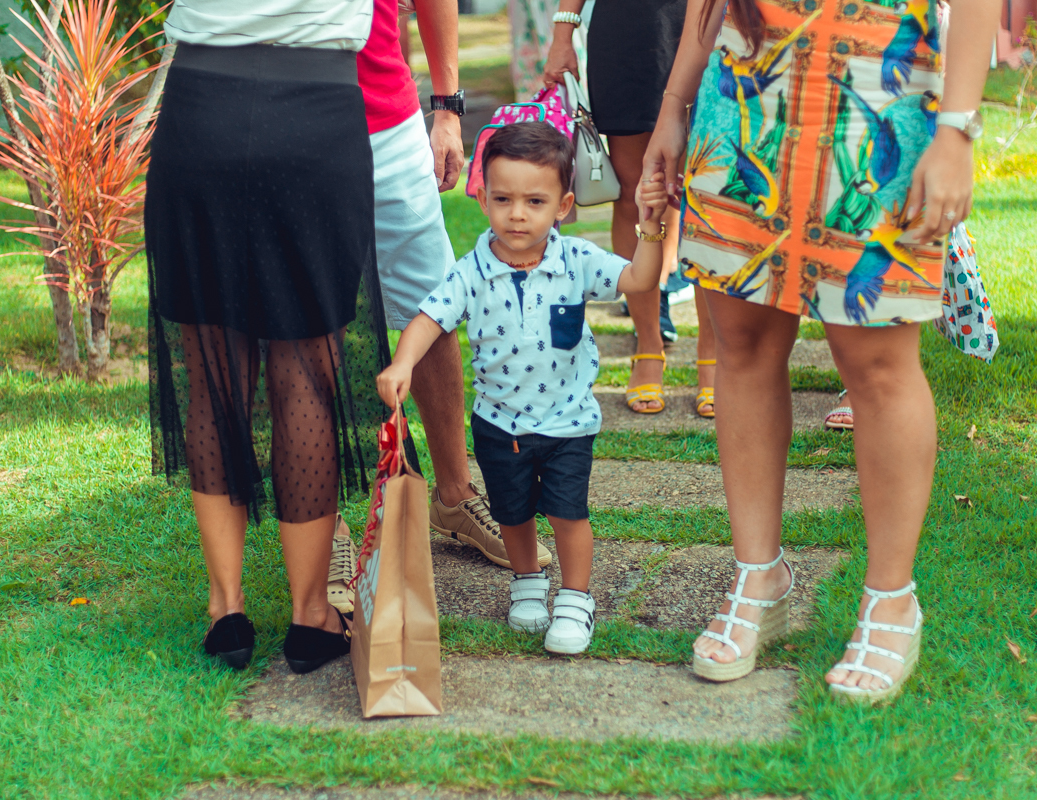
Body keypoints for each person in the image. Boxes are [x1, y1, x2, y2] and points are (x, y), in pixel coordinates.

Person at [643, 0, 997, 701]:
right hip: (743, 85)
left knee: (877, 364)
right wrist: (674, 104)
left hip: (883, 88)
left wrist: (957, 128)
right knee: (741, 345)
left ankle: (891, 600)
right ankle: (759, 576)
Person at [147, 0, 394, 674]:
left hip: (201, 110)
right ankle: (310, 614)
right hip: (317, 112)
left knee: (213, 373)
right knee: (306, 372)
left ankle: (226, 609)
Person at [376, 123, 669, 654]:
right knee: (511, 514)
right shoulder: (471, 272)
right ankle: (528, 581)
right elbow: (429, 319)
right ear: (482, 198)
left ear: (563, 206)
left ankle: (575, 599)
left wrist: (650, 229)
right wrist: (402, 363)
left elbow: (639, 279)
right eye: (503, 199)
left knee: (567, 513)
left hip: (567, 423)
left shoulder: (577, 261)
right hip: (498, 424)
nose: (517, 214)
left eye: (535, 201)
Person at [340, 0, 550, 597]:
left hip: (388, 116)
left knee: (431, 305)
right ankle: (325, 526)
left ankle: (455, 495)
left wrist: (448, 109)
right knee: (309, 321)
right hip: (291, 117)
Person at [541, 0, 720, 418]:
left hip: (712, 20)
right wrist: (564, 31)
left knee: (706, 196)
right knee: (634, 194)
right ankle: (649, 344)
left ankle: (713, 352)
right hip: (629, 26)